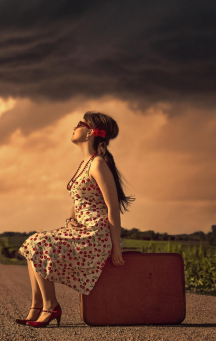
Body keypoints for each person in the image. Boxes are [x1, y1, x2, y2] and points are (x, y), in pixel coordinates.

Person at [15, 111, 136, 328]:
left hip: (96, 234)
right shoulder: (86, 164)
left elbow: (113, 206)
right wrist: (70, 220)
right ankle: (37, 306)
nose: (74, 127)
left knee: (38, 243)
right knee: (32, 244)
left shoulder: (98, 164)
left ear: (90, 133)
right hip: (81, 229)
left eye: (78, 124)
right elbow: (80, 200)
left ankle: (50, 306)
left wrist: (116, 246)